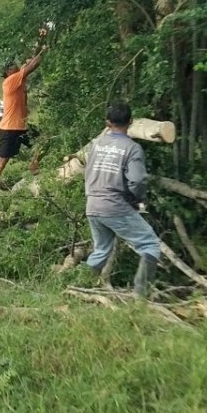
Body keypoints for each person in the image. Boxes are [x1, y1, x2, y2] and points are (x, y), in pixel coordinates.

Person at [82, 104, 162, 296]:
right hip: (114, 205)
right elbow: (138, 180)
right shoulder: (132, 148)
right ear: (131, 122)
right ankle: (141, 295)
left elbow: (88, 172)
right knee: (150, 244)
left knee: (101, 250)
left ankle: (79, 284)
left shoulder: (96, 144)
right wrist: (137, 199)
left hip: (92, 204)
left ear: (107, 123)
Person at [0, 27, 48, 197]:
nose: (18, 66)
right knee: (1, 162)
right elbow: (33, 64)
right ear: (8, 72)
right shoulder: (11, 81)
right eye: (14, 66)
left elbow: (28, 64)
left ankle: (33, 165)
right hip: (10, 128)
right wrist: (43, 50)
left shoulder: (18, 79)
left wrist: (40, 41)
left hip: (21, 126)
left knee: (43, 140)